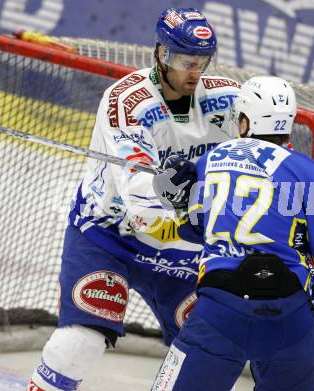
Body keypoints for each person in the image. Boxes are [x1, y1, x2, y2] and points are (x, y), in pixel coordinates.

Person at [27, 7, 241, 391]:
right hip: (111, 236)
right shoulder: (127, 101)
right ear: (162, 54)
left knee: (209, 351)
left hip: (184, 250)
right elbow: (140, 195)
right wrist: (191, 207)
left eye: (202, 62)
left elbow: (266, 152)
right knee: (81, 339)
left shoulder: (227, 98)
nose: (195, 72)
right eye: (185, 61)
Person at [151, 76, 314, 391]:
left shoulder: (211, 160)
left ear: (244, 121)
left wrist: (178, 200)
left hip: (220, 312)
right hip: (290, 320)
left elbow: (196, 230)